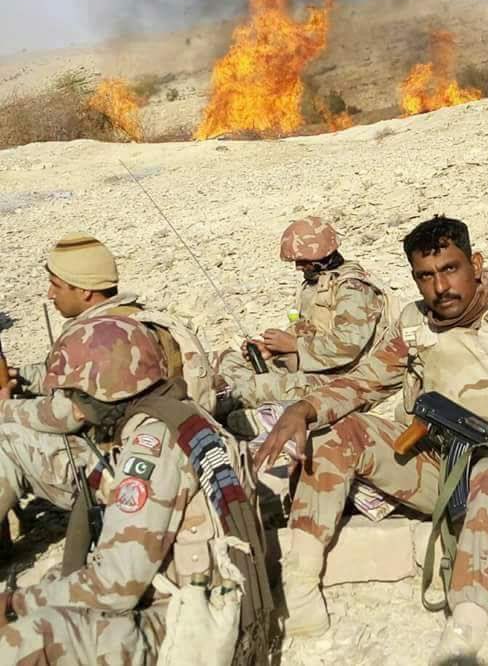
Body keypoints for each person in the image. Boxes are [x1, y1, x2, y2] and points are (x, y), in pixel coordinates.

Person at [256, 216, 488, 665]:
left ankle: (464, 632)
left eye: (450, 269)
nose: (440, 287)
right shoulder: (414, 325)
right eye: (426, 276)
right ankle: (300, 587)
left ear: (476, 264)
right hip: (441, 467)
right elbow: (365, 382)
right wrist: (305, 409)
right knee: (338, 432)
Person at [0, 314, 271, 664]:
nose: (74, 407)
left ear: (102, 392)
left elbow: (116, 586)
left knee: (24, 640)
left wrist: (17, 604)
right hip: (204, 596)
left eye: (76, 395)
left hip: (192, 622)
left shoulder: (151, 444)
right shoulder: (178, 412)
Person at [0, 233, 214, 554]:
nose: (49, 294)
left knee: (6, 440)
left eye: (56, 285)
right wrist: (25, 379)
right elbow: (90, 381)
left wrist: (5, 410)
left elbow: (69, 415)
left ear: (84, 290)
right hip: (176, 454)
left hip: (128, 474)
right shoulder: (137, 320)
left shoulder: (99, 337)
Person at [214, 216, 392, 425]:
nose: (298, 267)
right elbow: (310, 328)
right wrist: (272, 349)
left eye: (303, 262)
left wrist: (294, 346)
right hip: (312, 365)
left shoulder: (353, 288)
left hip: (344, 381)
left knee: (249, 390)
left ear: (322, 255)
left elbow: (348, 346)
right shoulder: (318, 283)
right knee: (228, 360)